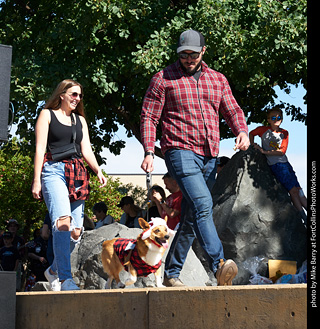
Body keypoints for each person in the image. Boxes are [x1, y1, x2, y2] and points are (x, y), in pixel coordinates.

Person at [140, 29, 250, 287]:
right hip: (179, 150)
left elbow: (232, 109)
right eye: (183, 54)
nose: (188, 59)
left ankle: (171, 273)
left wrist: (242, 131)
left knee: (191, 216)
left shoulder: (218, 79)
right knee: (203, 204)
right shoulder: (163, 79)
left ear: (203, 51)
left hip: (209, 154)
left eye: (193, 54)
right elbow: (149, 117)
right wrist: (148, 149)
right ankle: (220, 265)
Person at [31, 79, 107, 291]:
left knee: (76, 231)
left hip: (77, 172)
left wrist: (98, 170)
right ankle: (65, 279)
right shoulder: (47, 115)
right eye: (73, 94)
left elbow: (87, 150)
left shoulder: (79, 120)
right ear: (61, 94)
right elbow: (39, 149)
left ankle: (54, 269)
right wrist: (36, 179)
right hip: (53, 171)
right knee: (62, 223)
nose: (77, 99)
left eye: (80, 95)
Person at [249, 107, 307, 223]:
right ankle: (304, 218)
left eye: (279, 117)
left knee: (299, 190)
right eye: (273, 117)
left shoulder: (284, 133)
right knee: (293, 191)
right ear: (268, 119)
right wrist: (252, 145)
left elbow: (282, 151)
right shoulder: (263, 130)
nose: (276, 119)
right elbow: (251, 133)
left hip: (285, 163)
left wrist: (264, 151)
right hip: (277, 165)